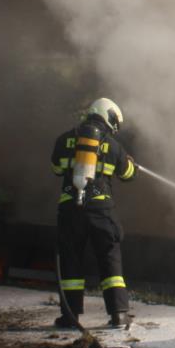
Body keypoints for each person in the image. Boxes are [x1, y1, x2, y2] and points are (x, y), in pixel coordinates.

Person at [51, 97, 138, 329]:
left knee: (71, 263)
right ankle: (119, 314)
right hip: (101, 210)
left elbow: (56, 168)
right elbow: (128, 174)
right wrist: (132, 164)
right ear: (108, 117)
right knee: (110, 259)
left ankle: (70, 317)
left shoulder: (64, 139)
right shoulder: (113, 145)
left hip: (70, 210)